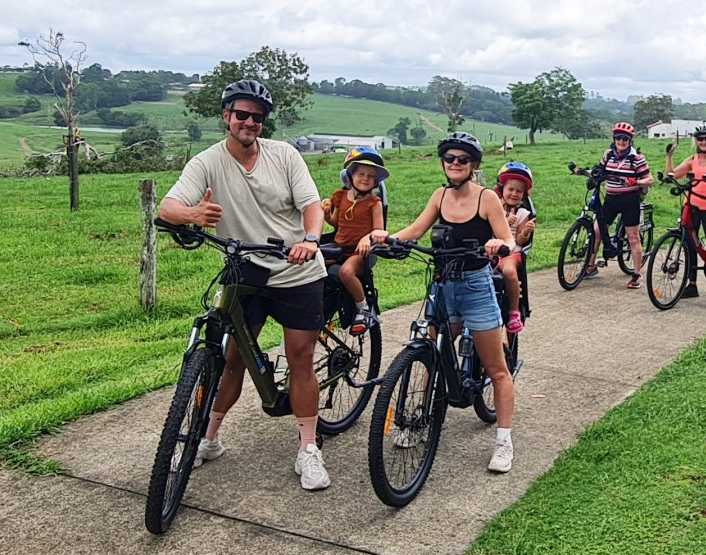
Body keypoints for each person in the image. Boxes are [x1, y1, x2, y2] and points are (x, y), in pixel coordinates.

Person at [157, 80, 332, 491]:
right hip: (245, 268)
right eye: (242, 115)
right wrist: (193, 214)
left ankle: (308, 449)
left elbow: (311, 206)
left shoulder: (284, 155)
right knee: (232, 358)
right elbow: (168, 207)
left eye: (257, 117)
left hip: (296, 268)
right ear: (226, 117)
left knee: (300, 357)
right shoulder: (206, 162)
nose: (250, 122)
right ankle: (208, 438)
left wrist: (309, 240)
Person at [368, 132, 519, 474]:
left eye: (462, 159)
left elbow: (507, 237)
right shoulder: (439, 196)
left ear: (474, 165)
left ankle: (504, 441)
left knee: (496, 369)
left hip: (475, 286)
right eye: (449, 158)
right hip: (442, 285)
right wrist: (386, 238)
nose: (454, 164)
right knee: (429, 351)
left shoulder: (487, 199)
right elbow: (416, 230)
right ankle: (418, 419)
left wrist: (499, 243)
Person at [663, 125, 706, 309]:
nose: (704, 142)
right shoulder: (692, 159)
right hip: (692, 206)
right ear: (696, 141)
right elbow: (671, 175)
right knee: (689, 245)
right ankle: (692, 285)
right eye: (700, 139)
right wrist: (669, 156)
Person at [573, 122, 650, 290]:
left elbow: (649, 179)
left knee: (633, 238)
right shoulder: (608, 154)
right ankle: (591, 266)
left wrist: (635, 181)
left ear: (630, 141)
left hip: (630, 200)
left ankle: (637, 275)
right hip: (611, 199)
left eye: (624, 139)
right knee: (597, 231)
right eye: (618, 138)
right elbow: (599, 169)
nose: (621, 141)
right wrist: (583, 172)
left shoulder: (636, 158)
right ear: (614, 139)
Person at [323, 147, 387, 335]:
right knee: (315, 264)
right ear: (350, 176)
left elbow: (379, 230)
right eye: (361, 174)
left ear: (376, 182)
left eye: (371, 176)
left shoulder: (373, 204)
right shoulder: (340, 197)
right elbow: (336, 222)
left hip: (361, 252)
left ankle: (363, 307)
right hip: (340, 247)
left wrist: (367, 238)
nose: (365, 178)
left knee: (346, 272)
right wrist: (326, 214)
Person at [494, 161, 536, 334]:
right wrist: (501, 221)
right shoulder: (493, 207)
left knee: (509, 272)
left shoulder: (522, 214)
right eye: (510, 189)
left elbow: (520, 241)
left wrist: (525, 231)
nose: (514, 194)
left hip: (511, 254)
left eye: (519, 191)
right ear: (502, 189)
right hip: (491, 250)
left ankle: (513, 311)